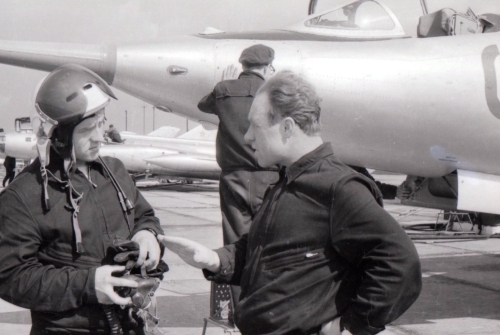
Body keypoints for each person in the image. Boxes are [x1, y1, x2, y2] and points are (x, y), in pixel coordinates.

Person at [159, 71, 422, 335]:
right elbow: (261, 249)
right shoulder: (286, 181)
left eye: (255, 126)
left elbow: (400, 264)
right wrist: (214, 259)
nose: (248, 137)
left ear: (286, 127)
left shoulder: (337, 187)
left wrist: (348, 327)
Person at [0, 64, 164, 334]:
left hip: (131, 324)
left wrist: (148, 234)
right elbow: (10, 275)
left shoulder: (115, 172)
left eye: (101, 122)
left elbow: (144, 217)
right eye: (88, 129)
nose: (100, 137)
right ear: (61, 135)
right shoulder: (23, 196)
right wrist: (88, 285)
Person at [197, 44, 279, 246]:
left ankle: (233, 277)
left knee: (235, 242)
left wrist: (223, 84)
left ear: (243, 65)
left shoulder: (223, 89)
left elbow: (202, 105)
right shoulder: (275, 92)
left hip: (233, 177)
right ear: (268, 67)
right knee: (269, 240)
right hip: (269, 177)